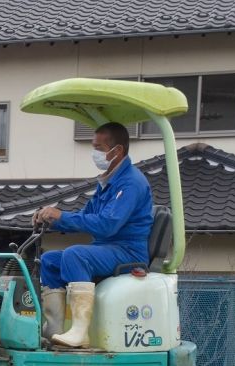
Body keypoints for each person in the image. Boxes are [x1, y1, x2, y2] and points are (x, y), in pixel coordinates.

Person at [32, 122, 154, 348]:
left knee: (75, 255)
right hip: (109, 249)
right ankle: (54, 328)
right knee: (50, 260)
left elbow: (108, 225)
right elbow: (86, 215)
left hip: (128, 251)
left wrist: (61, 216)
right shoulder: (109, 182)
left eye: (98, 147)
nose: (94, 153)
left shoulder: (130, 183)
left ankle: (80, 332)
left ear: (116, 151)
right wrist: (51, 218)